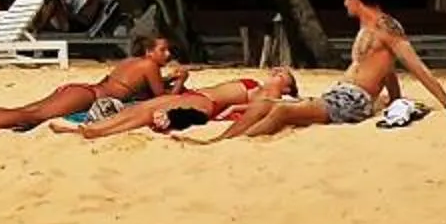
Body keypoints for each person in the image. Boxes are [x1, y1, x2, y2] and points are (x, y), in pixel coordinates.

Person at [201, 0, 446, 140]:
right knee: (265, 105)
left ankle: (241, 143)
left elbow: (416, 66)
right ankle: (221, 141)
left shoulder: (387, 27)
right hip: (341, 95)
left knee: (280, 111)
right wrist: (395, 100)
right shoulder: (367, 27)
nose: (344, 4)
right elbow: (387, 69)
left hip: (353, 101)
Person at [0, 36, 184, 137]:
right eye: (163, 49)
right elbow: (161, 98)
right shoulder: (151, 65)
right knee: (30, 114)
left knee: (27, 110)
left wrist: (167, 78)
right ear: (149, 51)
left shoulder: (133, 62)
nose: (168, 53)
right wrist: (180, 81)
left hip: (80, 90)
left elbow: (136, 85)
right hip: (86, 96)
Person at [67, 68, 297, 138]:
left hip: (207, 104)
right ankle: (91, 128)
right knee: (141, 108)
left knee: (147, 115)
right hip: (194, 95)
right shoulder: (256, 85)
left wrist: (235, 108)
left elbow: (257, 109)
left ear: (286, 88)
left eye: (281, 74)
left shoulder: (271, 98)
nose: (276, 71)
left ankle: (99, 132)